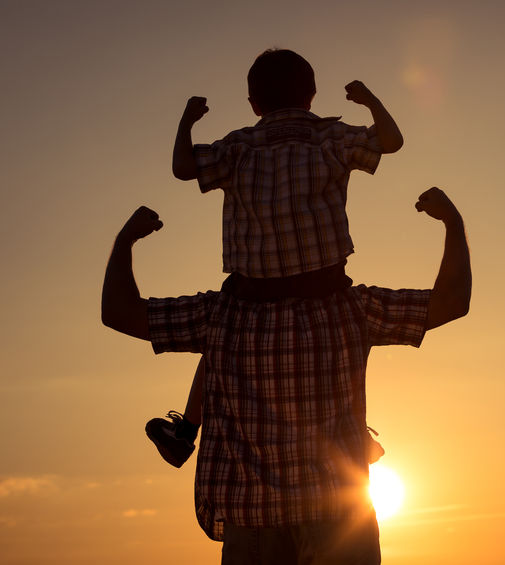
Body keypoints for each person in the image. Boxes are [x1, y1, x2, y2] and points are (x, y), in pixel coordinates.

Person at [101, 187, 471, 563]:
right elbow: (452, 300)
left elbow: (119, 312)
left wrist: (125, 241)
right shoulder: (354, 309)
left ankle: (184, 432)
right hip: (340, 519)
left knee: (215, 355)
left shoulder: (222, 315)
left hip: (254, 520)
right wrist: (453, 223)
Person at [147, 48, 405, 467]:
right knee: (354, 329)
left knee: (217, 341)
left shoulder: (238, 146)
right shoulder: (330, 136)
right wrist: (371, 100)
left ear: (253, 104)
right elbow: (392, 142)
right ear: (313, 95)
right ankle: (355, 431)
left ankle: (185, 432)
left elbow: (182, 167)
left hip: (252, 294)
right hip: (324, 285)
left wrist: (186, 122)